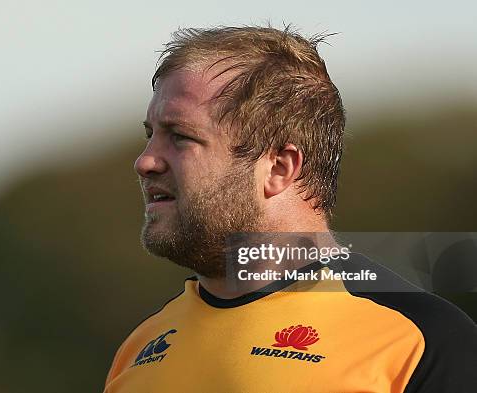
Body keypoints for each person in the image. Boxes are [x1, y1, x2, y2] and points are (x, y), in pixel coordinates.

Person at [103, 25, 477, 392]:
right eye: (151, 134)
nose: (145, 161)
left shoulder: (423, 342)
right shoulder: (140, 346)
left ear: (280, 168)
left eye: (181, 136)